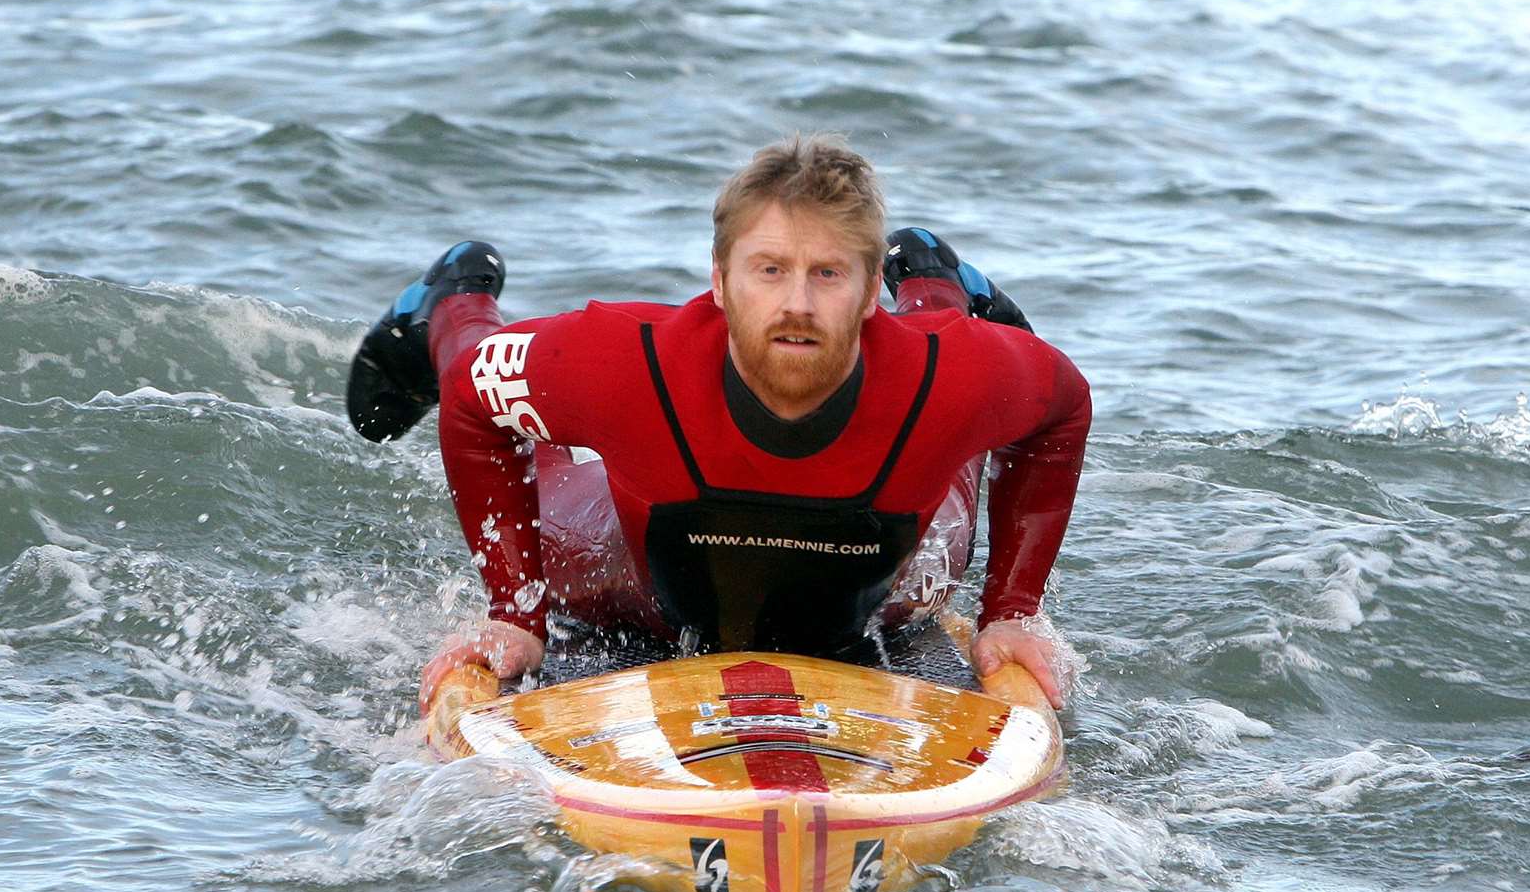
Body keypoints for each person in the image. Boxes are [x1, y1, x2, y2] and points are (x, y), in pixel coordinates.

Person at [346, 134, 1090, 714]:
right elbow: (478, 401)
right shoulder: (625, 362)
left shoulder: (948, 375)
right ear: (719, 280)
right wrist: (515, 612)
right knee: (543, 478)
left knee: (951, 433)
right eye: (768, 270)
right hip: (638, 587)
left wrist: (1011, 611)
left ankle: (932, 281)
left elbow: (1060, 407)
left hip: (877, 593)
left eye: (827, 273)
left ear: (867, 291)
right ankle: (449, 299)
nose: (795, 302)